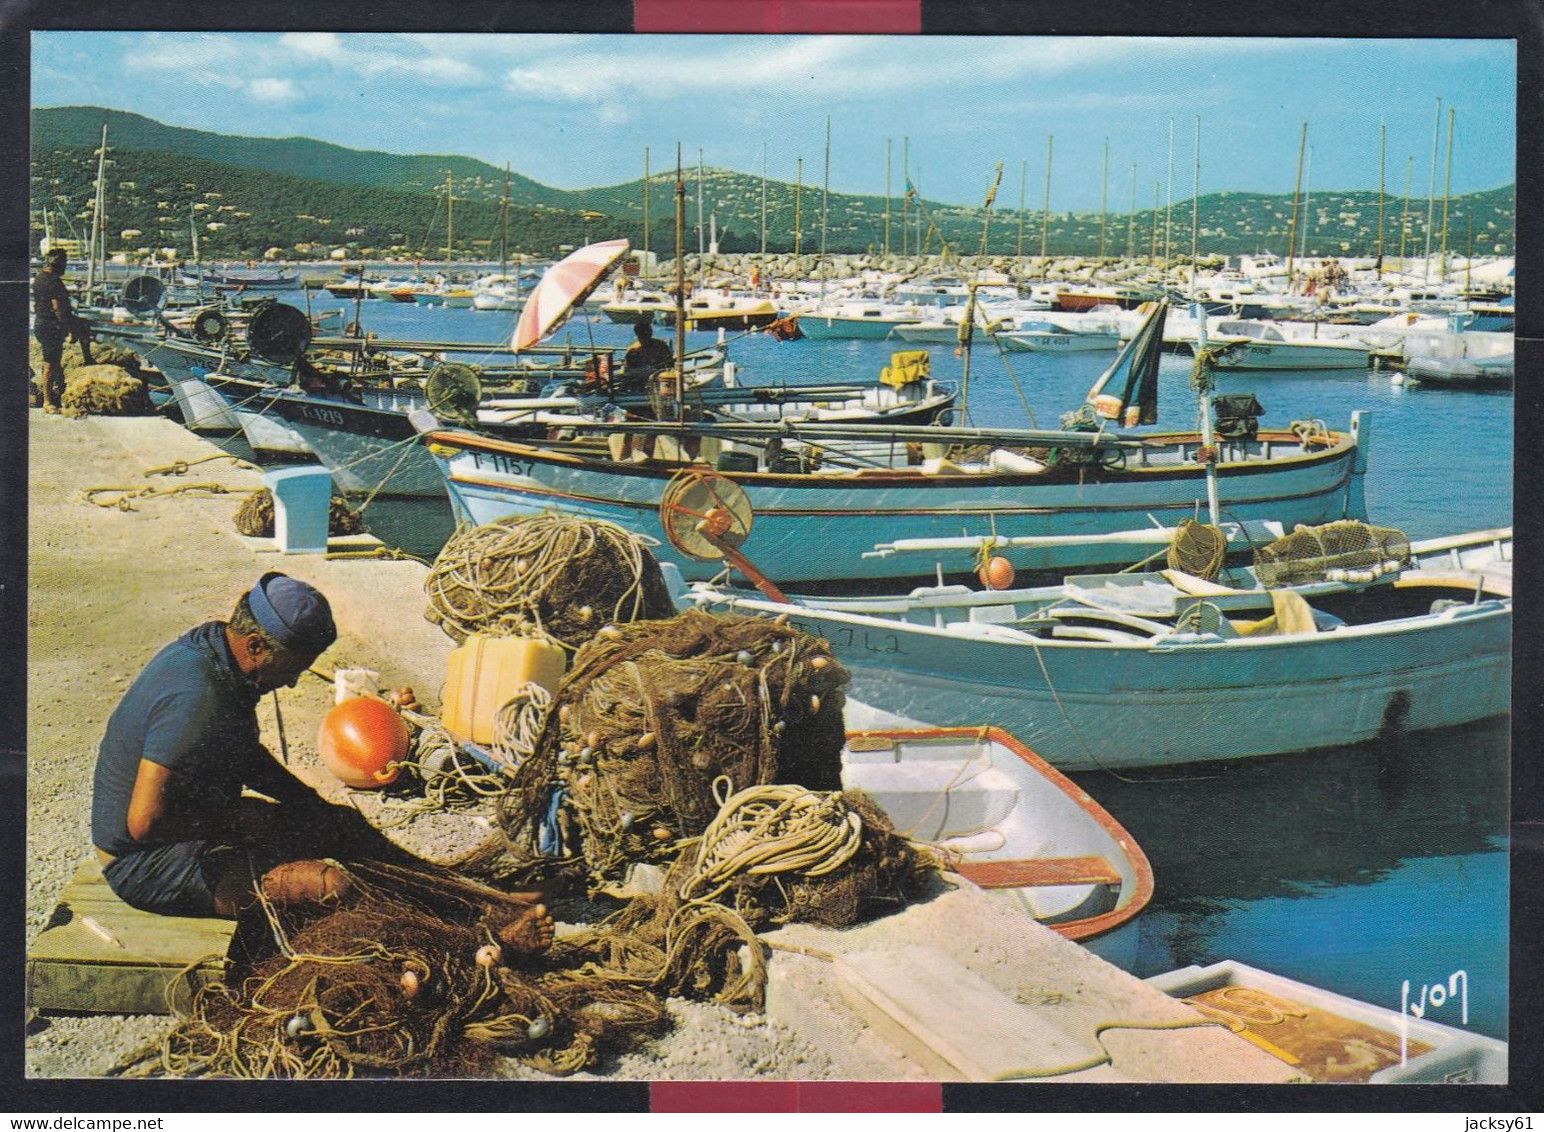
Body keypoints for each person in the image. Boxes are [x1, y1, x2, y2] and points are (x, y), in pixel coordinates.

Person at [90, 572, 555, 953]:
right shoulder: (196, 696)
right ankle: (480, 939)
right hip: (145, 863)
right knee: (331, 886)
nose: (292, 683)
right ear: (255, 645)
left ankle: (471, 900)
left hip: (191, 826)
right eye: (292, 666)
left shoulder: (220, 654)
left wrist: (308, 804)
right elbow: (144, 824)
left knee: (342, 826)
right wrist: (234, 819)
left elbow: (242, 753)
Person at [32, 247, 94, 413]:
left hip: (41, 322)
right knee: (50, 364)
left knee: (82, 327)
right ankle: (48, 401)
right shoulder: (53, 281)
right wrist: (68, 328)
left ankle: (87, 360)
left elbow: (36, 304)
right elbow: (57, 307)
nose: (65, 267)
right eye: (64, 263)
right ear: (58, 263)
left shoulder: (39, 278)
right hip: (51, 325)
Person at [621, 317, 673, 394]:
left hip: (660, 372)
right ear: (638, 333)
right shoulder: (633, 349)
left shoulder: (660, 344)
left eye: (649, 331)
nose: (647, 334)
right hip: (641, 373)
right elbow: (630, 368)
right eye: (644, 333)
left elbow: (669, 361)